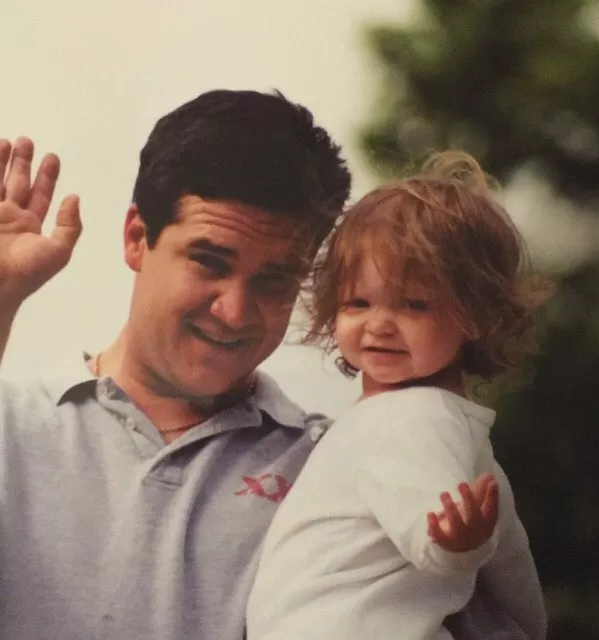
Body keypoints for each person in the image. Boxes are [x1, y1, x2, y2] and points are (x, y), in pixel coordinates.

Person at [0, 90, 539, 640]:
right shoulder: (14, 428)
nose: (234, 310)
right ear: (137, 237)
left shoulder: (345, 465)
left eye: (275, 279)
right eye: (210, 261)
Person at [246, 152, 549, 640]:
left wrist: (457, 544)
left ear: (474, 316)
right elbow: (512, 562)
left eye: (414, 304)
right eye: (358, 302)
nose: (380, 323)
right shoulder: (436, 424)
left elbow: (431, 530)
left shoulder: (411, 417)